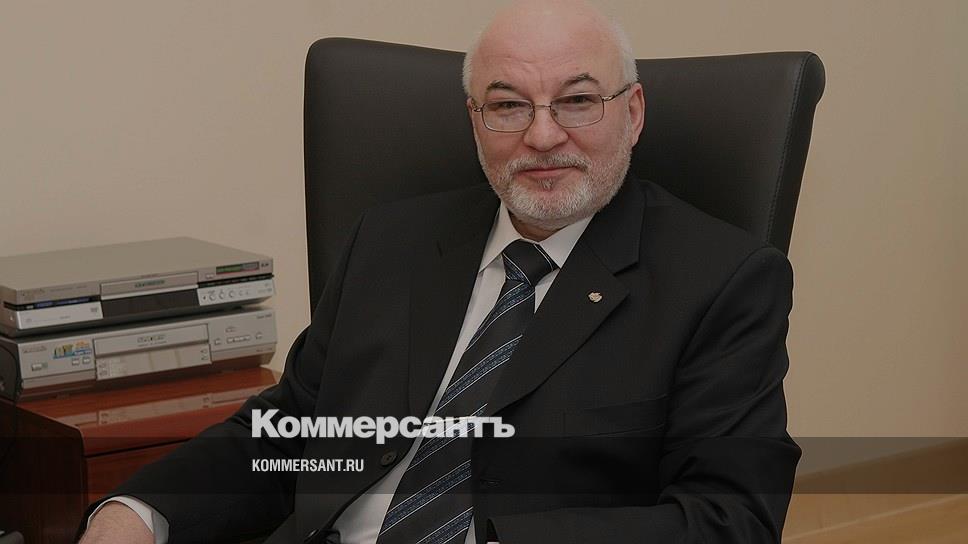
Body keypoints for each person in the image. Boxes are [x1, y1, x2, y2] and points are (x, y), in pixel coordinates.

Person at [80, 1, 800, 543]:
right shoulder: (388, 242)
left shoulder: (725, 282)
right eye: (507, 105)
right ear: (474, 120)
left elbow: (729, 518)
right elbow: (290, 434)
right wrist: (138, 513)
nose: (542, 134)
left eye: (578, 100)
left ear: (633, 112)